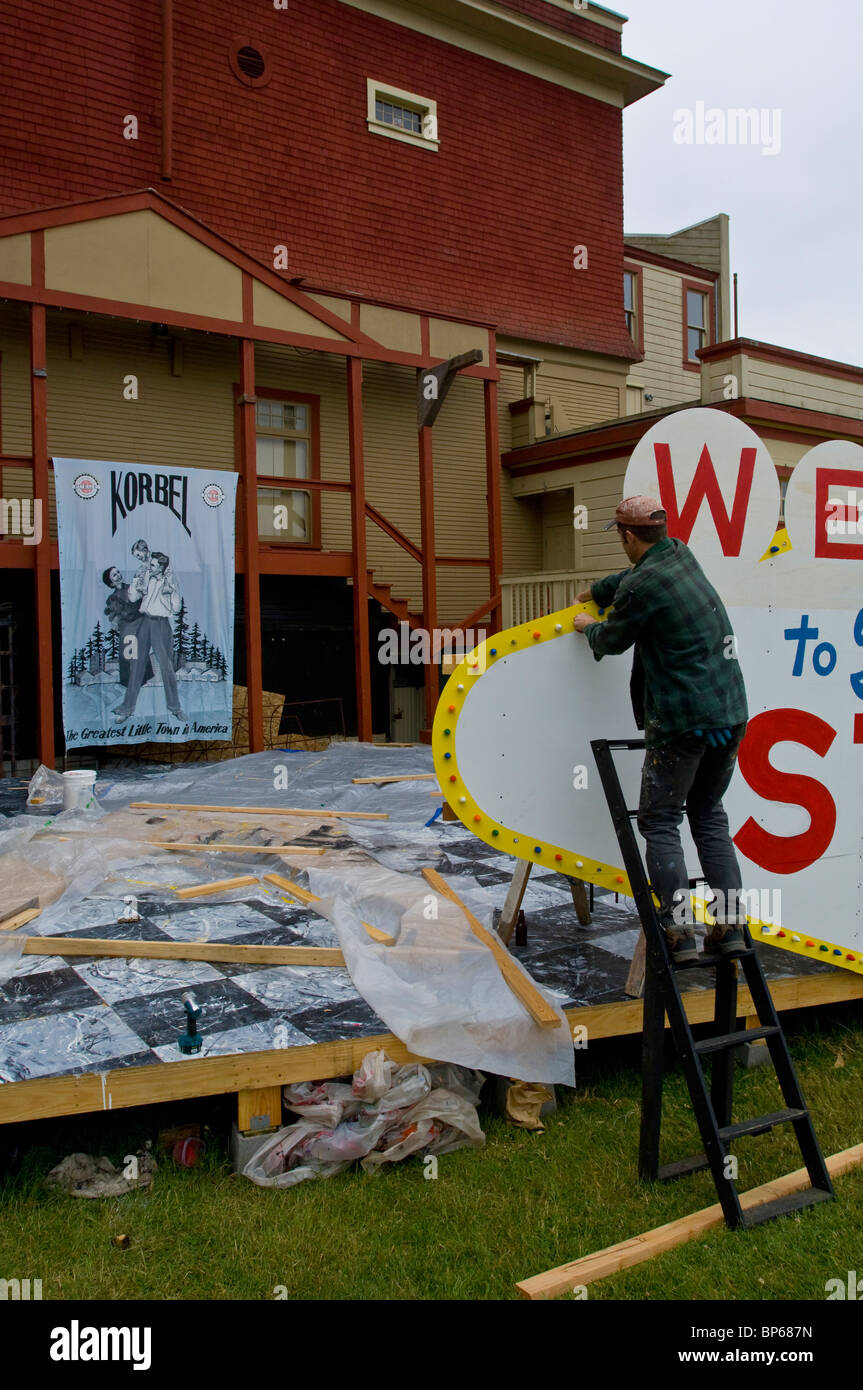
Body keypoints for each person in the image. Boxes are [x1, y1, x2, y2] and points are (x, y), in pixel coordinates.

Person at [571, 496, 748, 964]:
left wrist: (587, 622)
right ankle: (729, 927)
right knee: (708, 813)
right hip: (729, 714)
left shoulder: (643, 586)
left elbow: (611, 639)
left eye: (620, 537)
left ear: (628, 536)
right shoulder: (680, 554)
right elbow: (631, 581)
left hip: (683, 722)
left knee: (660, 821)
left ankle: (678, 932)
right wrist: (598, 589)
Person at [114, 551, 187, 722]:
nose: (150, 566)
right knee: (137, 663)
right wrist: (135, 580)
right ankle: (127, 708)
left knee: (166, 667)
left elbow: (176, 608)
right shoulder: (147, 576)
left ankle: (175, 708)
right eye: (150, 564)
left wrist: (170, 593)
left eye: (153, 565)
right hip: (145, 623)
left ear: (161, 567)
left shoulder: (170, 582)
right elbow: (132, 597)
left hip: (161, 625)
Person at [102, 566, 153, 691]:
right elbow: (118, 615)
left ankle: (143, 681)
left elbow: (143, 601)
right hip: (128, 628)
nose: (118, 575)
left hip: (140, 624)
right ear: (111, 582)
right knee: (129, 654)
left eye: (118, 572)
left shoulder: (132, 587)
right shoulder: (112, 598)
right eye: (114, 575)